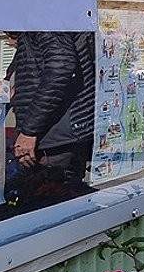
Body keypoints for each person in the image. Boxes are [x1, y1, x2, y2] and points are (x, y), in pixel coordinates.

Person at [8, 30, 96, 198]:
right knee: (66, 200)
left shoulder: (44, 18)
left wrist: (29, 131)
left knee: (49, 203)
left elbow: (61, 65)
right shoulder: (49, 20)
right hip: (65, 132)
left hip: (54, 137)